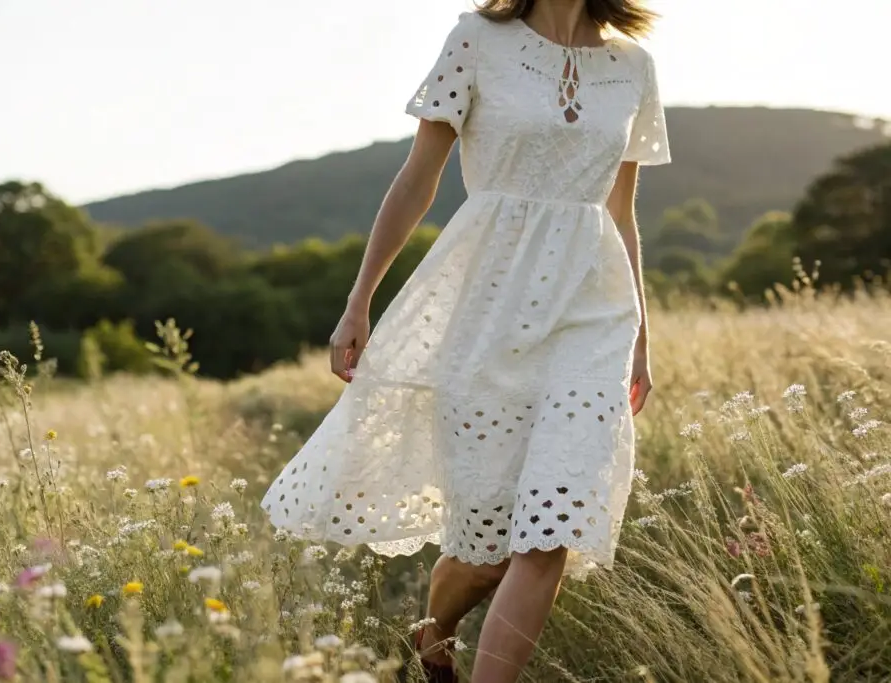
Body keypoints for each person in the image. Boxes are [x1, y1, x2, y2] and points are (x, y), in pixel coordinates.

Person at [261, 0, 670, 680]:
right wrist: (358, 300)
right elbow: (417, 179)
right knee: (483, 554)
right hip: (487, 307)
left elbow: (622, 211)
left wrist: (641, 339)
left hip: (593, 315)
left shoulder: (634, 65)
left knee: (553, 531)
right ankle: (435, 628)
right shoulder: (477, 38)